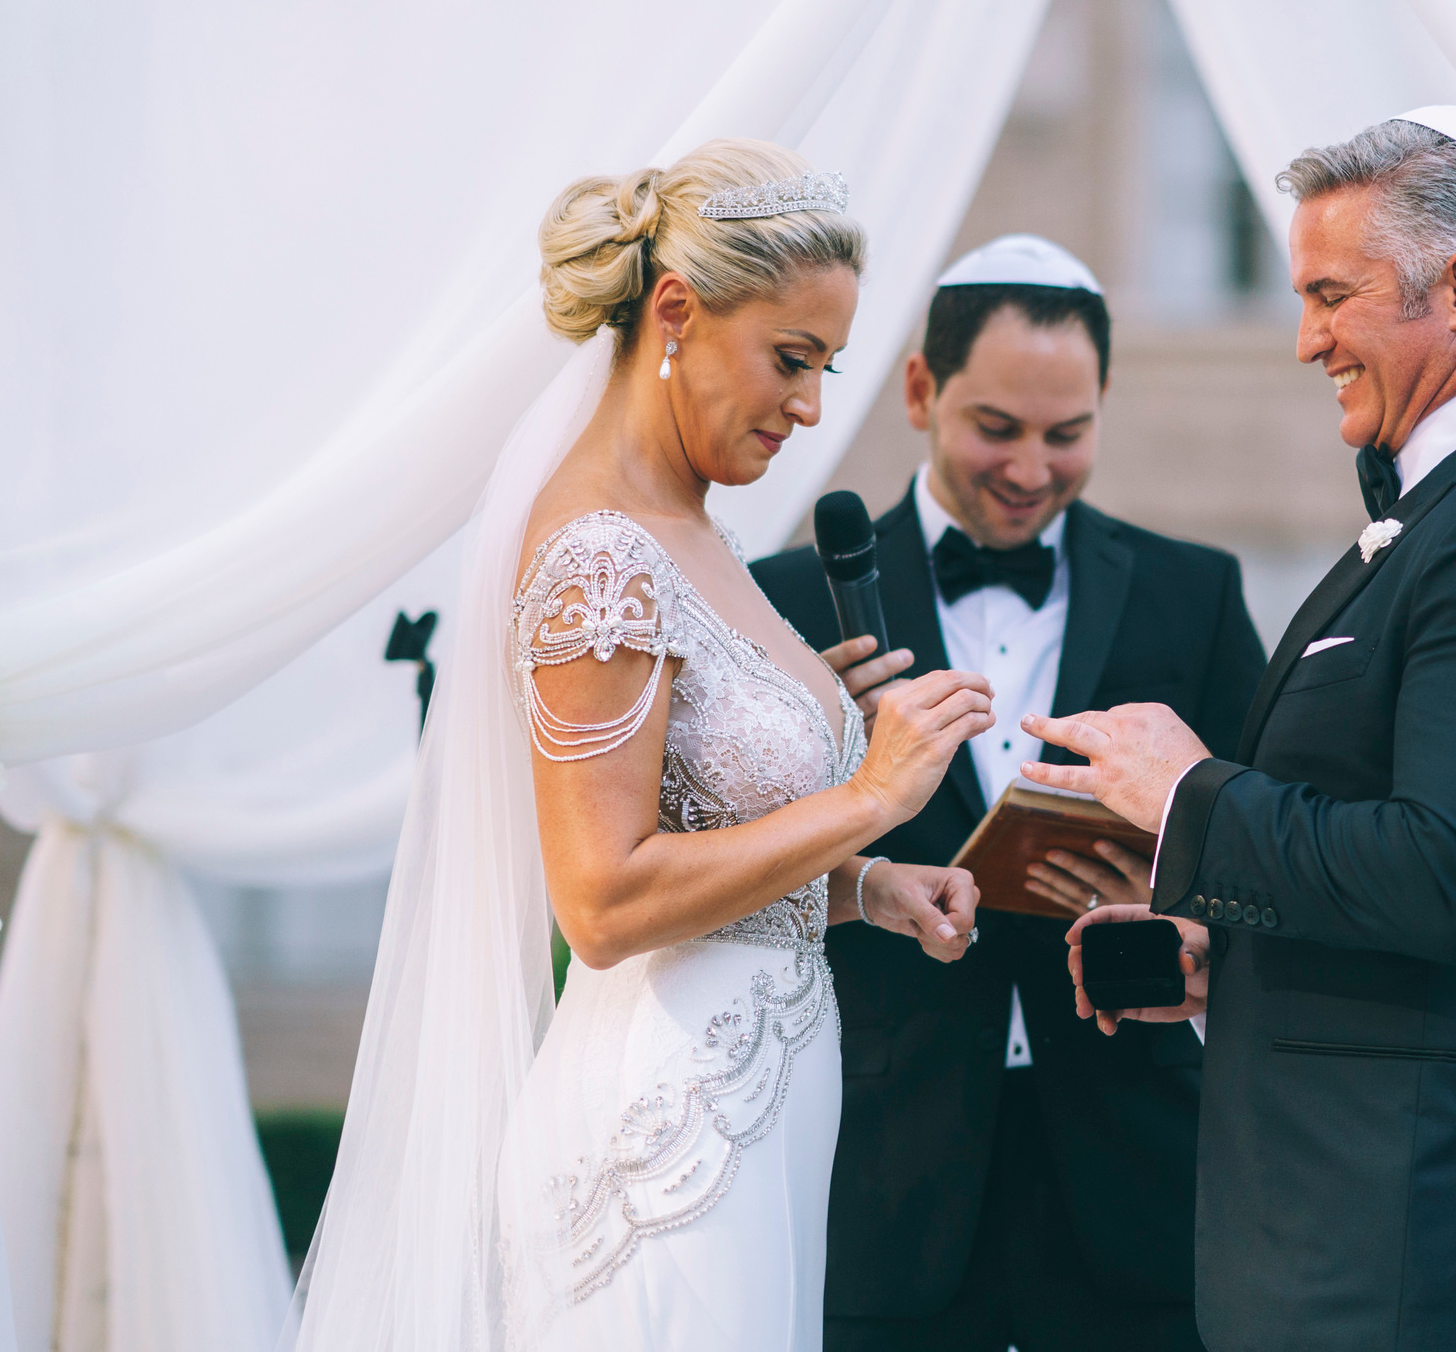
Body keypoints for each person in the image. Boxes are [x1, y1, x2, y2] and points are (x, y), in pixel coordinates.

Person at [287, 141, 996, 1352]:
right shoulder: (600, 555)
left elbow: (714, 858)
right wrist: (870, 794)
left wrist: (867, 888)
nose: (812, 405)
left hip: (756, 1103)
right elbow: (604, 900)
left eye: (826, 366)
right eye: (790, 358)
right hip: (664, 1127)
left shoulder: (692, 530)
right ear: (675, 310)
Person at [1025, 110, 1456, 1352]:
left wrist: (1189, 795)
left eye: (1332, 293)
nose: (1308, 337)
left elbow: (1447, 878)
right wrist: (1230, 961)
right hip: (1354, 1247)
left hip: (1419, 1262)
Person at [752, 234, 1266, 1352]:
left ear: (1104, 404)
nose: (1031, 468)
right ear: (921, 389)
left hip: (1138, 1175)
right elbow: (735, 874)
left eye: (1065, 434)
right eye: (997, 429)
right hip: (886, 1171)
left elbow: (1265, 844)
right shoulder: (781, 602)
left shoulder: (1198, 592)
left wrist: (1178, 889)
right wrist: (821, 763)